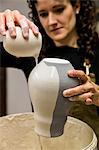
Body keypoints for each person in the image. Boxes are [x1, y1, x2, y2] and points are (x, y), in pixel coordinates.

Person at [0, 0, 99, 107]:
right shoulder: (30, 50)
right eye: (43, 14)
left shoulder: (95, 50)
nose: (51, 21)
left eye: (59, 10)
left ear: (76, 6)